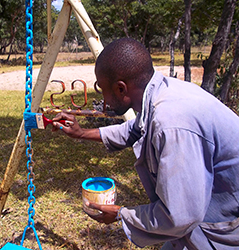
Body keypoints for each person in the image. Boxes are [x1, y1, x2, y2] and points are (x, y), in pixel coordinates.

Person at [52, 38, 239, 249]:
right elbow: (133, 129)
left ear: (121, 89)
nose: (103, 99)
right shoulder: (159, 93)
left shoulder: (172, 122)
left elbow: (180, 216)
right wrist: (81, 133)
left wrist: (121, 215)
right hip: (202, 213)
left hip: (222, 224)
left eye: (102, 89)